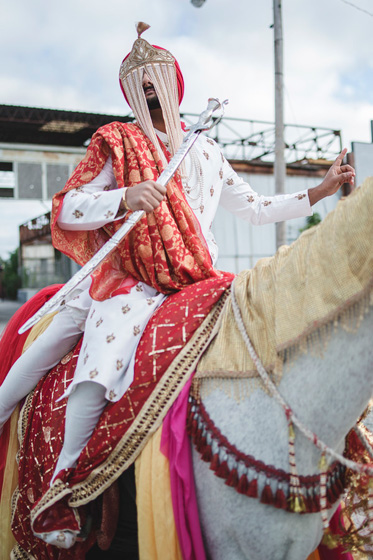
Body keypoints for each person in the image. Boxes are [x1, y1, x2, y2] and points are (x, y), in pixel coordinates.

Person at [0, 22, 355, 549]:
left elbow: (255, 209)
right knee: (92, 354)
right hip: (126, 279)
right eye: (137, 81)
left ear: (176, 83)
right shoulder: (117, 142)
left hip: (196, 278)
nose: (148, 86)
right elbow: (67, 208)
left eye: (156, 77)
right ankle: (62, 489)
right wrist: (122, 197)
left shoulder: (204, 151)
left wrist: (320, 191)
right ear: (128, 94)